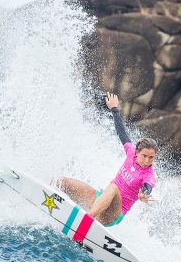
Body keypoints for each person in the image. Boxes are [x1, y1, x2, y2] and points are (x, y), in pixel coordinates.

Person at [55, 93, 157, 227]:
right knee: (63, 182)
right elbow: (122, 132)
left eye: (151, 158)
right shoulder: (131, 152)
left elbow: (147, 187)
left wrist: (144, 194)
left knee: (114, 188)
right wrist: (114, 109)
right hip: (100, 200)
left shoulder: (149, 176)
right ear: (137, 153)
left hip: (113, 215)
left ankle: (85, 221)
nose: (148, 160)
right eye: (145, 156)